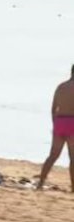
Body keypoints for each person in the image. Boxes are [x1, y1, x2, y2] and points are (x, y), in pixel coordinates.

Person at [38, 64, 74, 192]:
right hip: (72, 123)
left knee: (53, 155)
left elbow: (53, 108)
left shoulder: (61, 87)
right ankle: (73, 188)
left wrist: (55, 124)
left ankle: (40, 183)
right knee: (73, 158)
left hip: (60, 121)